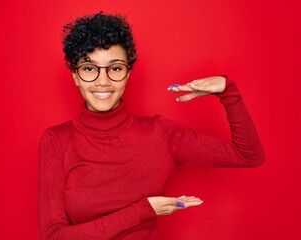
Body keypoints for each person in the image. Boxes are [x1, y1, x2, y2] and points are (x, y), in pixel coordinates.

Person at [38, 12, 265, 240]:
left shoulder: (159, 134)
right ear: (75, 75)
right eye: (89, 68)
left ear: (128, 73)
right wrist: (143, 210)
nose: (103, 80)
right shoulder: (57, 140)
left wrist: (228, 92)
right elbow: (53, 236)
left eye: (115, 68)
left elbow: (248, 155)